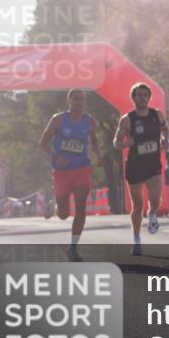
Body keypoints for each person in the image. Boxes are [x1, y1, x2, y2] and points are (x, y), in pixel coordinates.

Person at [38, 89, 102, 261]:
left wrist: (99, 155)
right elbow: (43, 142)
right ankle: (55, 207)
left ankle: (73, 248)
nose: (79, 101)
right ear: (69, 102)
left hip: (82, 168)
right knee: (64, 214)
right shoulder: (58, 119)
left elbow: (94, 142)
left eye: (82, 99)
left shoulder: (90, 122)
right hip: (62, 171)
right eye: (75, 99)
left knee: (81, 205)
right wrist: (56, 156)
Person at [114, 83, 168, 256]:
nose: (142, 97)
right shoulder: (127, 119)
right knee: (137, 206)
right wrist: (124, 144)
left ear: (149, 97)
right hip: (135, 166)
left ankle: (152, 214)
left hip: (153, 163)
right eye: (139, 95)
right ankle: (136, 239)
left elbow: (165, 129)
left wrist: (164, 140)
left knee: (155, 197)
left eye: (145, 95)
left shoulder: (157, 114)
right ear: (133, 98)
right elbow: (116, 142)